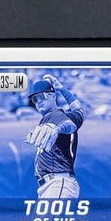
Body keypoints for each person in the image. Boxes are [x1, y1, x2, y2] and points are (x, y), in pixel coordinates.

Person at [24, 73, 85, 201]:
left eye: (42, 96)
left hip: (57, 183)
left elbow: (69, 125)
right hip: (52, 186)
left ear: (53, 96)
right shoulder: (67, 115)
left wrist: (57, 129)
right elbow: (80, 111)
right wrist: (61, 88)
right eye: (35, 99)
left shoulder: (55, 115)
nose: (39, 102)